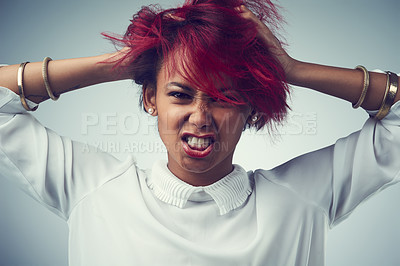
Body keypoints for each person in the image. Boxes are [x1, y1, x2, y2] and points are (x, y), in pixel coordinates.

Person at [0, 0, 399, 265]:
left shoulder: (304, 197)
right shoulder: (91, 187)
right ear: (150, 100)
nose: (201, 116)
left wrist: (292, 70)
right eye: (180, 94)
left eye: (224, 97)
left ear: (250, 108)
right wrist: (123, 61)